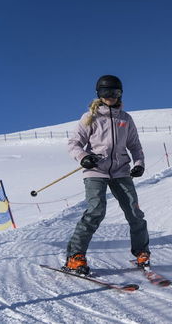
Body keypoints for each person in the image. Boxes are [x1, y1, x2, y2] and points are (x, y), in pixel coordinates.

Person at [64, 75, 150, 275]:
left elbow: (135, 146)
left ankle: (142, 252)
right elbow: (74, 144)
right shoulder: (90, 117)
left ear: (121, 94)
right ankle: (75, 257)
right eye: (106, 92)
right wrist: (83, 157)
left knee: (135, 213)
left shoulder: (125, 119)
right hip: (96, 170)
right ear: (99, 94)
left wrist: (139, 164)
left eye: (115, 92)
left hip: (121, 170)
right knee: (96, 211)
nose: (111, 96)